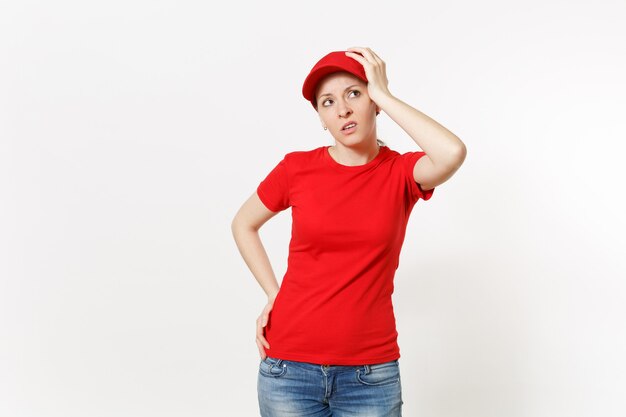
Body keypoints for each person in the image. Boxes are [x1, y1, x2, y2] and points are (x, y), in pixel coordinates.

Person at [231, 46, 467, 417]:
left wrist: (385, 95)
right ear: (322, 118)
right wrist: (274, 294)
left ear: (372, 102)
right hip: (289, 369)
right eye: (327, 102)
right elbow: (243, 224)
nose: (342, 109)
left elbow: (452, 152)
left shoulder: (401, 173)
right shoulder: (296, 169)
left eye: (353, 94)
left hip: (370, 375)